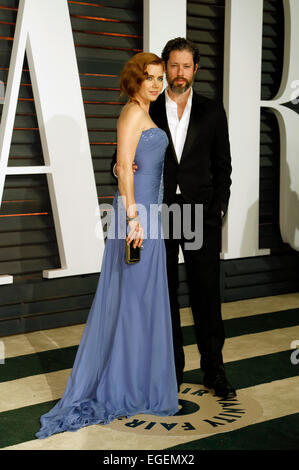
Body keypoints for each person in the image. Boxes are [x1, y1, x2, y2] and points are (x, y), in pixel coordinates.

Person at [35, 52, 179, 439]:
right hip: (136, 219)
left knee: (143, 303)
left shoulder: (146, 113)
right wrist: (133, 220)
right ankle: (122, 388)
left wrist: (128, 183)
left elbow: (124, 164)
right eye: (148, 77)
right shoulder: (132, 114)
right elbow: (124, 173)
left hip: (149, 216)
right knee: (132, 303)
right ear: (134, 81)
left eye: (159, 77)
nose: (156, 83)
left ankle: (140, 384)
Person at [112, 38, 235, 399]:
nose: (179, 74)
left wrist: (218, 209)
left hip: (199, 214)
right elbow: (122, 156)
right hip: (158, 213)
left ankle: (215, 371)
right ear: (165, 67)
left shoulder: (212, 111)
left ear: (196, 69)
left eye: (186, 66)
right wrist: (123, 169)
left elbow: (223, 166)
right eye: (173, 66)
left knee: (206, 295)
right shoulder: (147, 107)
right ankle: (172, 372)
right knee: (164, 295)